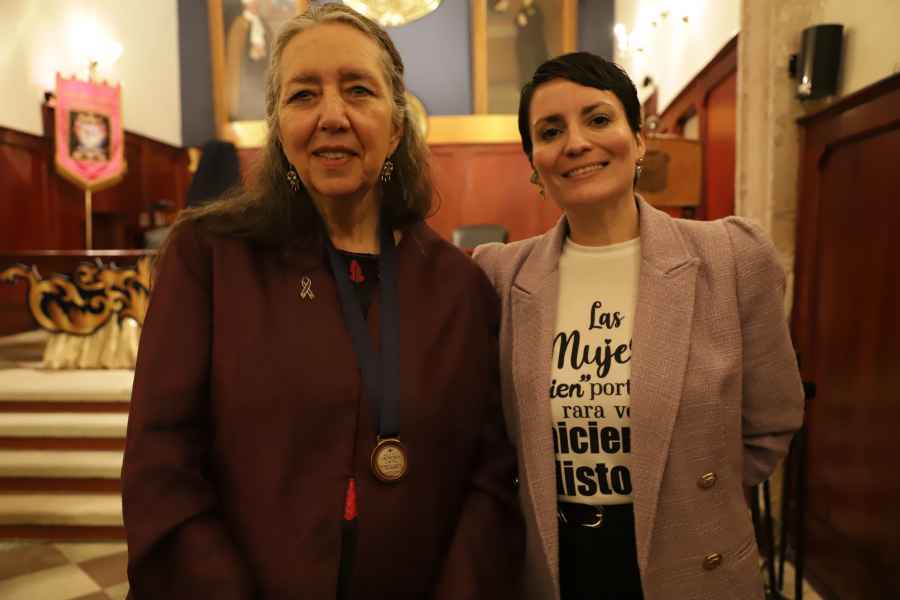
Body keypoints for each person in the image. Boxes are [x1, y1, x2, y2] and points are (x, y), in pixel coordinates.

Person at [121, 4, 523, 599]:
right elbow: (162, 465)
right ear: (279, 127)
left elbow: (489, 479)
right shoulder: (209, 258)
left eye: (358, 90)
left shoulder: (458, 285)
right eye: (303, 95)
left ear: (397, 126)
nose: (332, 116)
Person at [473, 52, 804, 599]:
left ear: (639, 139)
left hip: (691, 558)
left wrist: (685, 494)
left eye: (598, 119)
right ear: (534, 164)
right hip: (555, 567)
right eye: (550, 131)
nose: (576, 143)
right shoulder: (499, 276)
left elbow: (771, 422)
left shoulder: (730, 257)